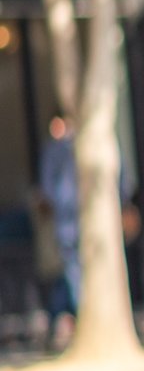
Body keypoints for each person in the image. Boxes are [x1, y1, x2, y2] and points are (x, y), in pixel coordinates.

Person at [37, 116, 78, 352]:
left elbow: (47, 189)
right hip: (67, 223)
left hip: (69, 222)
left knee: (72, 271)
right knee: (71, 269)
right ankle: (62, 316)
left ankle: (59, 316)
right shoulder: (58, 151)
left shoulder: (61, 151)